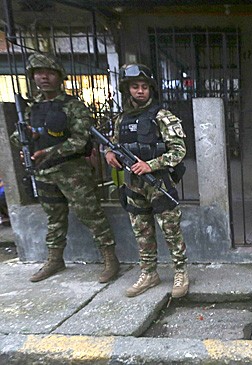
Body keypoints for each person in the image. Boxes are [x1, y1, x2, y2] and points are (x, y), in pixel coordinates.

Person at [9, 53, 119, 283]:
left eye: (49, 73)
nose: (44, 78)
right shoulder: (30, 109)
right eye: (39, 73)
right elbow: (17, 138)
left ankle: (110, 259)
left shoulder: (73, 107)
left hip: (73, 173)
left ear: (59, 77)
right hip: (44, 172)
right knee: (54, 218)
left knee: (91, 215)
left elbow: (80, 140)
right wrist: (26, 139)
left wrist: (48, 152)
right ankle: (55, 259)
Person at [105, 63, 189, 298]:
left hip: (159, 183)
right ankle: (149, 272)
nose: (140, 91)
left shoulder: (163, 117)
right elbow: (114, 142)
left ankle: (181, 271)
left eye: (144, 87)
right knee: (141, 232)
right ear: (127, 89)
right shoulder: (121, 119)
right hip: (133, 183)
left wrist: (150, 165)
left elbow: (179, 151)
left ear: (150, 89)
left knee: (171, 231)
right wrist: (109, 154)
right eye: (135, 87)